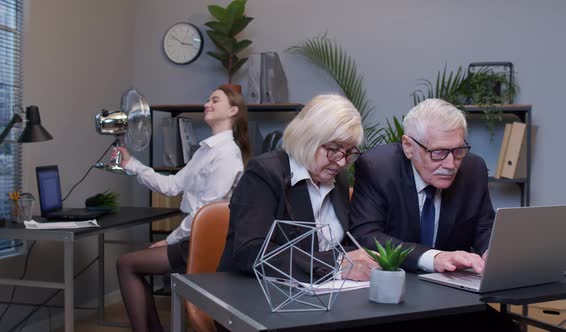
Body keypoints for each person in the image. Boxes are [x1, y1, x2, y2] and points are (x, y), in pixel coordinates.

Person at [115, 85, 250, 332]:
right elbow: (171, 185)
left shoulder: (228, 154)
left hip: (205, 243)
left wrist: (169, 240)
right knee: (132, 264)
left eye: (214, 100)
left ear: (233, 111)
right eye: (208, 99)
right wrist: (131, 163)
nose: (206, 104)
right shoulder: (205, 152)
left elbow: (205, 212)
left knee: (126, 264)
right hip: (192, 237)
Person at [218, 94, 378, 283]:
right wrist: (336, 264)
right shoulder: (265, 173)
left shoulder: (338, 180)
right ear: (307, 139)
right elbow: (251, 252)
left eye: (349, 152)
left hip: (322, 293)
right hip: (256, 292)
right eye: (333, 149)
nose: (342, 162)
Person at [350, 98, 493, 274]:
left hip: (454, 284)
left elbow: (484, 227)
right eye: (439, 152)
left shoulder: (473, 169)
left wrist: (490, 253)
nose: (450, 164)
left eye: (458, 151)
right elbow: (367, 236)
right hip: (397, 280)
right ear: (408, 146)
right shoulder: (378, 168)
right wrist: (433, 258)